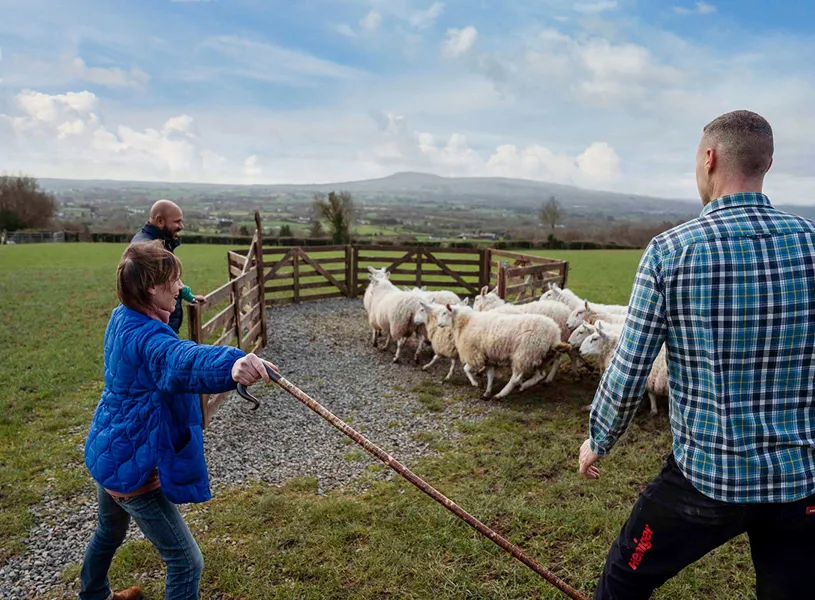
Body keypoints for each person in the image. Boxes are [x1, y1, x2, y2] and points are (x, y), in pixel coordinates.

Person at [578, 110, 815, 599]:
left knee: (625, 577)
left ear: (708, 159)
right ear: (767, 162)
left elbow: (630, 365)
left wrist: (598, 438)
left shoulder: (671, 251)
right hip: (800, 482)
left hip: (707, 479)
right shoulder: (812, 244)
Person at [80, 240, 276, 600]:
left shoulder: (123, 316)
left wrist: (184, 295)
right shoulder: (149, 338)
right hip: (135, 463)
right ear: (151, 288)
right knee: (186, 562)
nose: (179, 285)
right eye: (174, 279)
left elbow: (170, 341)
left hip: (110, 448)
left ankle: (93, 594)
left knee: (108, 532)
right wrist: (231, 365)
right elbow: (179, 359)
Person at [131, 200, 206, 334]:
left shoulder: (161, 244)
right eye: (177, 222)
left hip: (164, 324)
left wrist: (189, 296)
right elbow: (144, 295)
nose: (181, 226)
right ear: (160, 221)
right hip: (155, 329)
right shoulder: (148, 251)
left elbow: (169, 279)